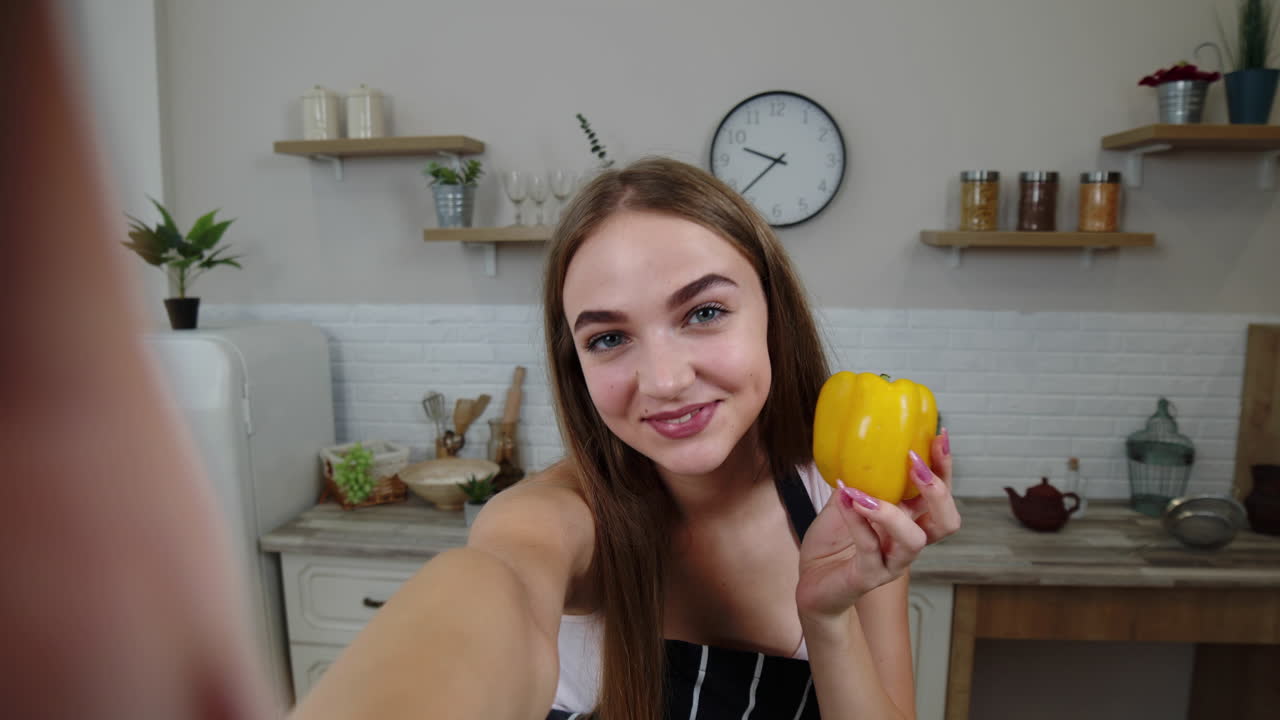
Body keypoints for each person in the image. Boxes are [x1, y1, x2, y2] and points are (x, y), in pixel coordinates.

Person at [294, 157, 961, 720]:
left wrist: (829, 617)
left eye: (704, 312)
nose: (665, 381)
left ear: (772, 315)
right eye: (609, 338)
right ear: (577, 363)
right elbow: (498, 582)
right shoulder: (559, 514)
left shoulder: (842, 497)